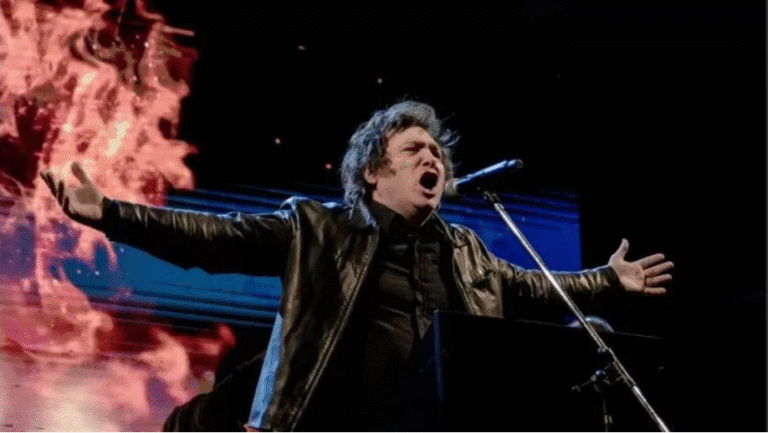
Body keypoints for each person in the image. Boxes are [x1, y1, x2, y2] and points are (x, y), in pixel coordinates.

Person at [40, 100, 673, 431]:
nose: (432, 159)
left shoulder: (466, 252)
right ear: (373, 170)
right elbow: (213, 238)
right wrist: (110, 214)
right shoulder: (319, 229)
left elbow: (534, 289)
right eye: (415, 149)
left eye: (437, 153)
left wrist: (606, 281)